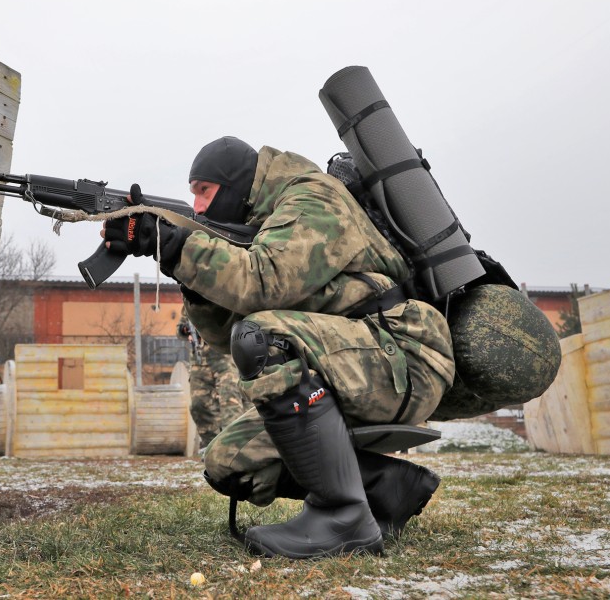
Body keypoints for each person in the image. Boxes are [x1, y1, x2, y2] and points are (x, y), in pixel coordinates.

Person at [103, 136, 448, 559]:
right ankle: (386, 488)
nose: (197, 208)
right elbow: (223, 334)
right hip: (351, 361)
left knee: (266, 336)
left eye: (204, 192)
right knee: (226, 463)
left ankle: (344, 517)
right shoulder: (263, 225)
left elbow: (265, 282)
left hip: (403, 353)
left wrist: (179, 247)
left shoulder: (314, 199)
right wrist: (182, 269)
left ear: (234, 185)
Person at [179, 311, 247, 449]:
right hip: (200, 360)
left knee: (230, 403)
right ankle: (211, 448)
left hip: (226, 357)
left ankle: (233, 448)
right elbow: (180, 330)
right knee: (199, 405)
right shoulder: (191, 300)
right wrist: (184, 329)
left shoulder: (223, 294)